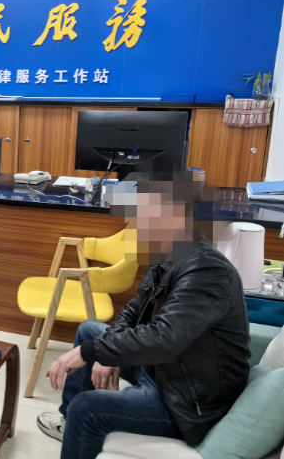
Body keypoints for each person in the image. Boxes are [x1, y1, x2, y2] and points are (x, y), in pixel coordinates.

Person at [36, 173, 250, 459]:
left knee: (87, 407)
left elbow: (166, 338)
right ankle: (70, 426)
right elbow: (135, 310)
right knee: (90, 329)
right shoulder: (169, 254)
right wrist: (107, 352)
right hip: (163, 369)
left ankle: (79, 421)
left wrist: (93, 352)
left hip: (188, 401)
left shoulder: (207, 270)